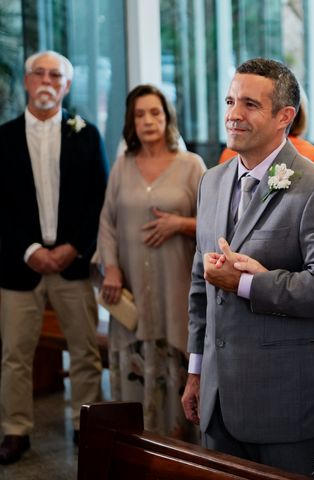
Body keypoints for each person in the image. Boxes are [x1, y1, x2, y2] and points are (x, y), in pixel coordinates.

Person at [181, 58, 314, 477]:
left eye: (249, 105)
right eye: (230, 101)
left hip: (284, 402)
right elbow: (200, 285)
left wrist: (245, 284)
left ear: (284, 117)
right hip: (218, 399)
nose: (233, 115)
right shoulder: (212, 180)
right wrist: (196, 370)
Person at [0, 50, 106, 463]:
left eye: (55, 76)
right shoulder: (3, 137)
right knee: (14, 355)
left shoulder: (86, 134)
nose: (47, 81)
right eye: (39, 74)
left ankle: (87, 426)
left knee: (83, 350)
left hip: (72, 263)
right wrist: (29, 250)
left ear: (67, 85)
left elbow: (98, 197)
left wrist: (73, 247)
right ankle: (15, 429)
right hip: (17, 265)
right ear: (27, 82)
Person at [96, 84, 205, 439]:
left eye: (155, 112)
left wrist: (180, 224)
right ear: (131, 121)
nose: (147, 120)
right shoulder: (123, 165)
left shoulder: (191, 166)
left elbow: (217, 222)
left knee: (176, 371)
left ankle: (179, 457)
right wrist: (110, 267)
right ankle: (136, 453)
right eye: (139, 114)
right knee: (133, 374)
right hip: (132, 291)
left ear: (167, 117)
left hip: (175, 290)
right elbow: (107, 222)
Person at [217, 87, 314, 164]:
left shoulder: (231, 153)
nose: (234, 115)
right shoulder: (311, 153)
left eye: (251, 105)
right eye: (230, 102)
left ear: (286, 116)